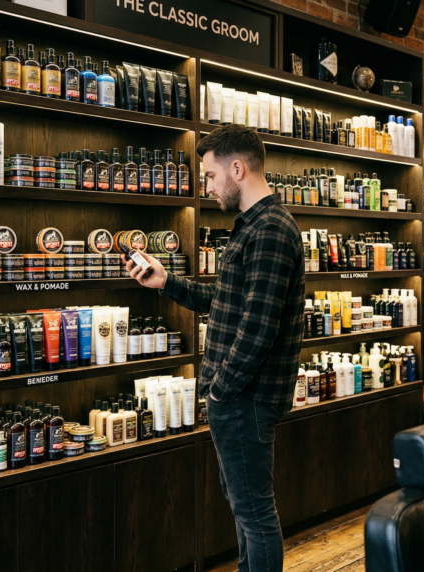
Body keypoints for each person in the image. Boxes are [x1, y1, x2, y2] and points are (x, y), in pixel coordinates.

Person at [125, 124, 306, 572]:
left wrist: (221, 391)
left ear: (237, 169)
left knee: (254, 513)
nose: (207, 187)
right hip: (239, 397)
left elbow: (258, 329)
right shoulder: (253, 227)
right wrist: (167, 282)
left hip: (246, 398)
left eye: (210, 175)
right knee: (243, 506)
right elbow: (226, 302)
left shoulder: (269, 229)